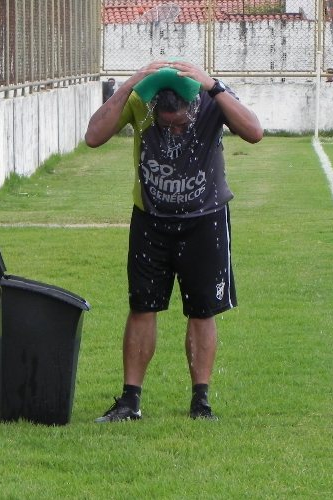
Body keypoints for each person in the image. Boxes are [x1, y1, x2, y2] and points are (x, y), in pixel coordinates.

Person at [85, 60, 263, 422]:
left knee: (202, 311)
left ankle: (201, 403)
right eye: (165, 125)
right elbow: (93, 136)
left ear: (193, 105)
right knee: (142, 307)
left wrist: (214, 86)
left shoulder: (212, 99)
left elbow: (254, 132)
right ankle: (130, 402)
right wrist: (130, 83)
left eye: (180, 124)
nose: (173, 132)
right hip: (151, 219)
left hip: (205, 219)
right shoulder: (140, 101)